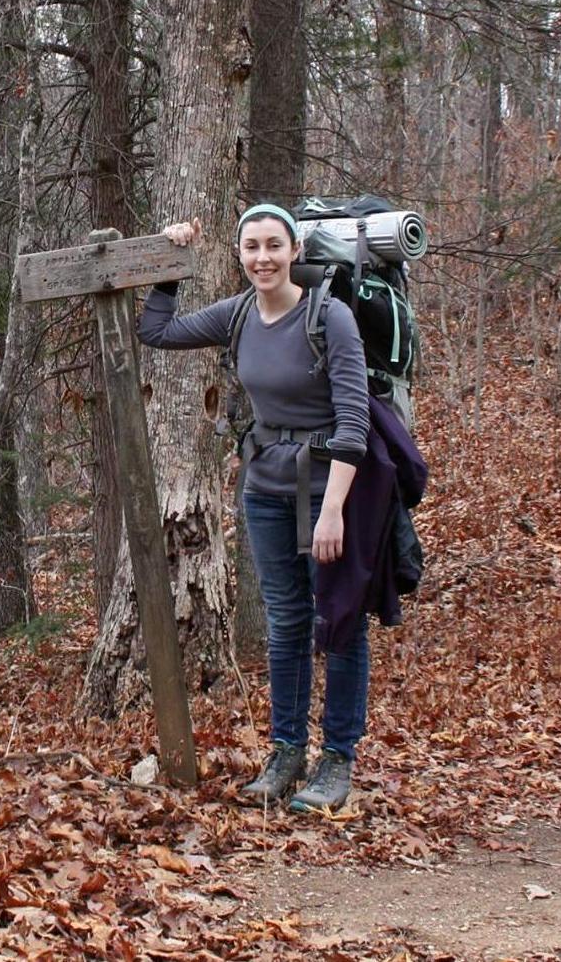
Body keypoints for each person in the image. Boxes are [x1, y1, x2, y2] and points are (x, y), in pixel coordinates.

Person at [138, 204, 371, 812]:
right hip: (265, 488)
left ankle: (338, 758)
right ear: (240, 255)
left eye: (274, 245)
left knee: (339, 619)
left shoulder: (331, 318)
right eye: (251, 247)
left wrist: (333, 511)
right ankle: (287, 750)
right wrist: (168, 270)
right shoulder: (239, 313)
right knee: (287, 622)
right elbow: (157, 333)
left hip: (330, 489)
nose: (263, 257)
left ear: (295, 250)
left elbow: (354, 422)